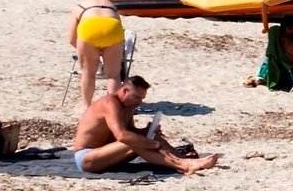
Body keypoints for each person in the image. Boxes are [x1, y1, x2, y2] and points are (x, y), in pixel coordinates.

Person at [72, 75, 218, 175]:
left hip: (107, 153)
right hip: (87, 158)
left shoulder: (127, 107)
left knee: (149, 136)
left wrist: (147, 132)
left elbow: (131, 131)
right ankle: (183, 165)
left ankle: (186, 161)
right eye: (137, 97)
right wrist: (152, 144)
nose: (139, 102)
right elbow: (122, 136)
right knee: (134, 141)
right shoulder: (110, 103)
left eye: (142, 98)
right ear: (124, 90)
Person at [68, 0, 125, 107]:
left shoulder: (80, 6)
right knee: (114, 74)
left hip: (90, 26)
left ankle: (88, 107)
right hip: (112, 27)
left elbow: (72, 38)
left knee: (88, 72)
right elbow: (120, 27)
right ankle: (114, 107)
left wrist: (89, 51)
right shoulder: (111, 5)